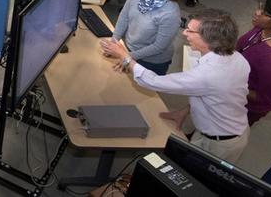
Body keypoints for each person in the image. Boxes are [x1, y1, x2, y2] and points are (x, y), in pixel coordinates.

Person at [102, 9, 250, 163]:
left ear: (209, 40)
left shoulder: (208, 74)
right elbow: (217, 95)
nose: (184, 33)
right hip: (226, 129)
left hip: (219, 143)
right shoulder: (236, 57)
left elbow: (153, 82)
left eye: (190, 31)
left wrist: (125, 57)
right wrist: (185, 110)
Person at [101, 0, 184, 75]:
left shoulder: (170, 13)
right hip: (129, 48)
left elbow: (158, 47)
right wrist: (114, 42)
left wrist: (126, 57)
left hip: (151, 62)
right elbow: (124, 15)